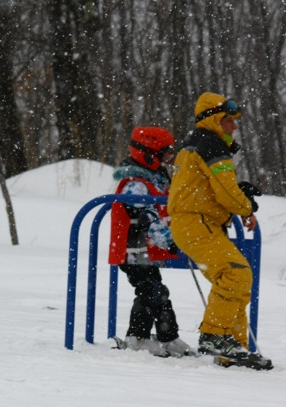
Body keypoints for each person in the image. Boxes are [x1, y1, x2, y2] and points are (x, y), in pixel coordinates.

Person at [167, 92, 272, 370]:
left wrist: (241, 195)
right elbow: (226, 193)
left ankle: (234, 347)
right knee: (236, 273)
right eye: (229, 120)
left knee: (237, 282)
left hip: (195, 224)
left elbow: (212, 190)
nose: (234, 127)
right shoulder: (211, 146)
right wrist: (247, 207)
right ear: (214, 119)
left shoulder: (197, 145)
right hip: (196, 223)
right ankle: (215, 337)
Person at [109, 126, 196, 358]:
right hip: (133, 251)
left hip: (142, 252)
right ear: (148, 153)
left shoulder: (153, 180)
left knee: (154, 291)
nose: (168, 158)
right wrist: (169, 241)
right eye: (165, 153)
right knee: (151, 291)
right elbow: (148, 219)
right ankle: (144, 338)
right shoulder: (135, 183)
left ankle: (157, 337)